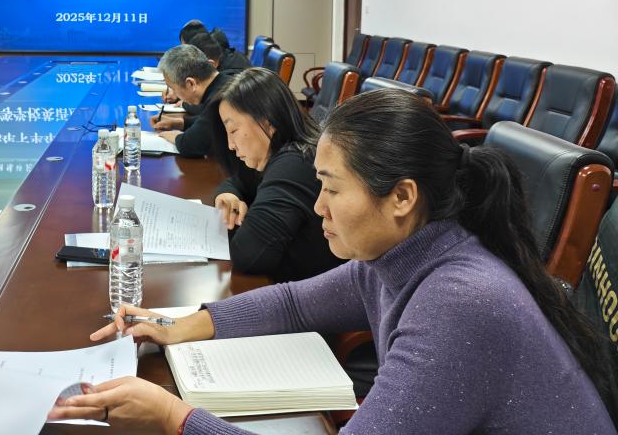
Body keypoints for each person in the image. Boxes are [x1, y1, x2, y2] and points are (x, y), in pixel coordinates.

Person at [53, 89, 618, 433]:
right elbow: (295, 303)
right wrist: (175, 327)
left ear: (402, 197)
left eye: (332, 188)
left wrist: (172, 417)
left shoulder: (458, 301)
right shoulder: (403, 255)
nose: (317, 206)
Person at [209, 68, 341, 281]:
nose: (230, 145)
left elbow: (247, 256)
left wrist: (231, 223)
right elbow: (238, 181)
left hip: (320, 293)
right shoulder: (284, 150)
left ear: (267, 122)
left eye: (233, 131)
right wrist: (228, 195)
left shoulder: (294, 165)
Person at [151, 45, 229, 158]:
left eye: (173, 88)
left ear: (190, 84)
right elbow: (209, 122)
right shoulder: (224, 82)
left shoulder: (219, 99)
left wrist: (175, 136)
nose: (175, 95)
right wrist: (179, 122)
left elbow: (191, 144)